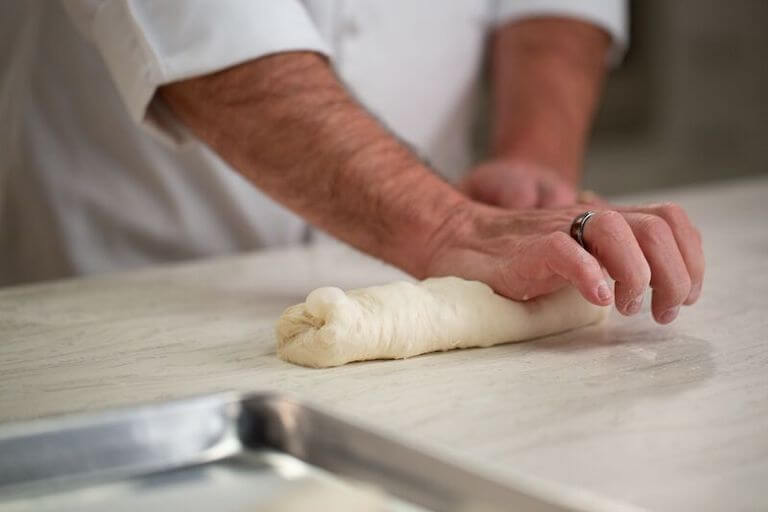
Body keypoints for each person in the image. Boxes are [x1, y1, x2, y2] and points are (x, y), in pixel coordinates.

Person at [0, 1, 703, 325]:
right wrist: (445, 226)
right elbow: (197, 19)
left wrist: (533, 162)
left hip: (429, 282)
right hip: (120, 285)